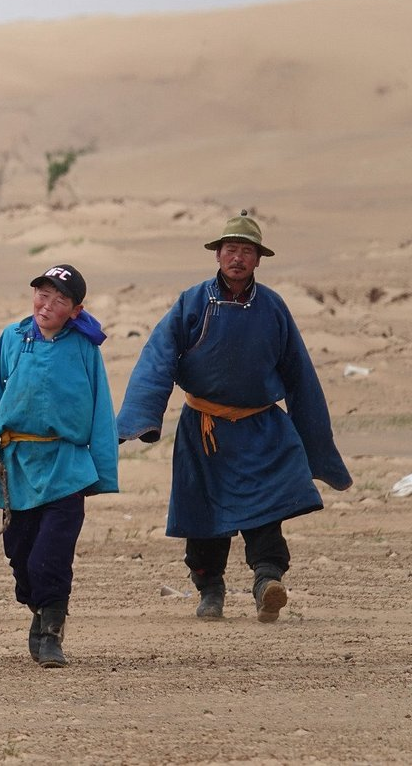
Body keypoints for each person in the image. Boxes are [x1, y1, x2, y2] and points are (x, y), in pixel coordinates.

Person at [116, 211, 351, 623]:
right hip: (205, 430)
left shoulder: (273, 307)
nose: (237, 258)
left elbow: (300, 375)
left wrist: (315, 442)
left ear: (259, 259)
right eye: (231, 250)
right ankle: (210, 590)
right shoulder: (192, 302)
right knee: (204, 514)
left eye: (246, 251)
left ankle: (267, 582)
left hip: (262, 428)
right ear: (218, 255)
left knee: (267, 508)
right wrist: (141, 417)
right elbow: (157, 359)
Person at [0, 264, 118, 668]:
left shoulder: (85, 348)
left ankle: (52, 628)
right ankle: (39, 609)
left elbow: (102, 410)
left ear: (75, 309)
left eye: (60, 300)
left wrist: (101, 473)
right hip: (16, 465)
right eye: (43, 294)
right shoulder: (12, 338)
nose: (48, 304)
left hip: (66, 465)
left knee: (49, 556)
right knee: (19, 554)